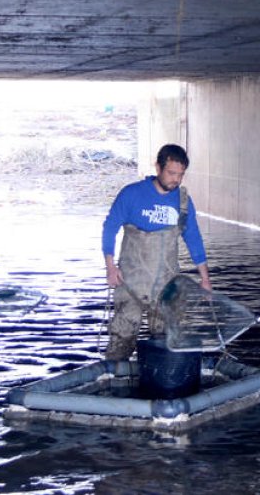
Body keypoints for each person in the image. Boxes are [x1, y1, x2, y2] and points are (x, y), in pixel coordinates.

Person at [101, 143, 211, 362]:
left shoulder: (183, 202)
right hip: (130, 282)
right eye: (171, 173)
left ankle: (160, 377)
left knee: (165, 341)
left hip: (165, 286)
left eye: (180, 175)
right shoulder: (131, 194)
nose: (176, 180)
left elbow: (193, 238)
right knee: (122, 336)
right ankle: (114, 374)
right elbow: (110, 228)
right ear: (158, 167)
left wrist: (205, 278)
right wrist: (110, 267)